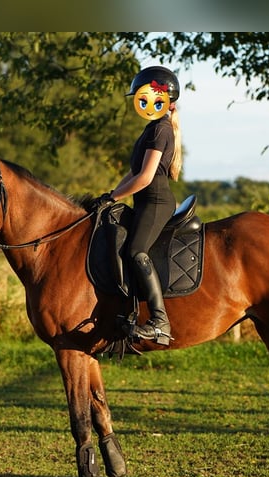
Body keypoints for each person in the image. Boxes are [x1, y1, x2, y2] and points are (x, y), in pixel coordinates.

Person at [89, 66, 182, 346]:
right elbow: (132, 173)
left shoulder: (161, 130)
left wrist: (115, 198)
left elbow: (144, 177)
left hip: (156, 202)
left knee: (136, 251)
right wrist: (110, 195)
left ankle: (158, 321)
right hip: (144, 201)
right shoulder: (152, 128)